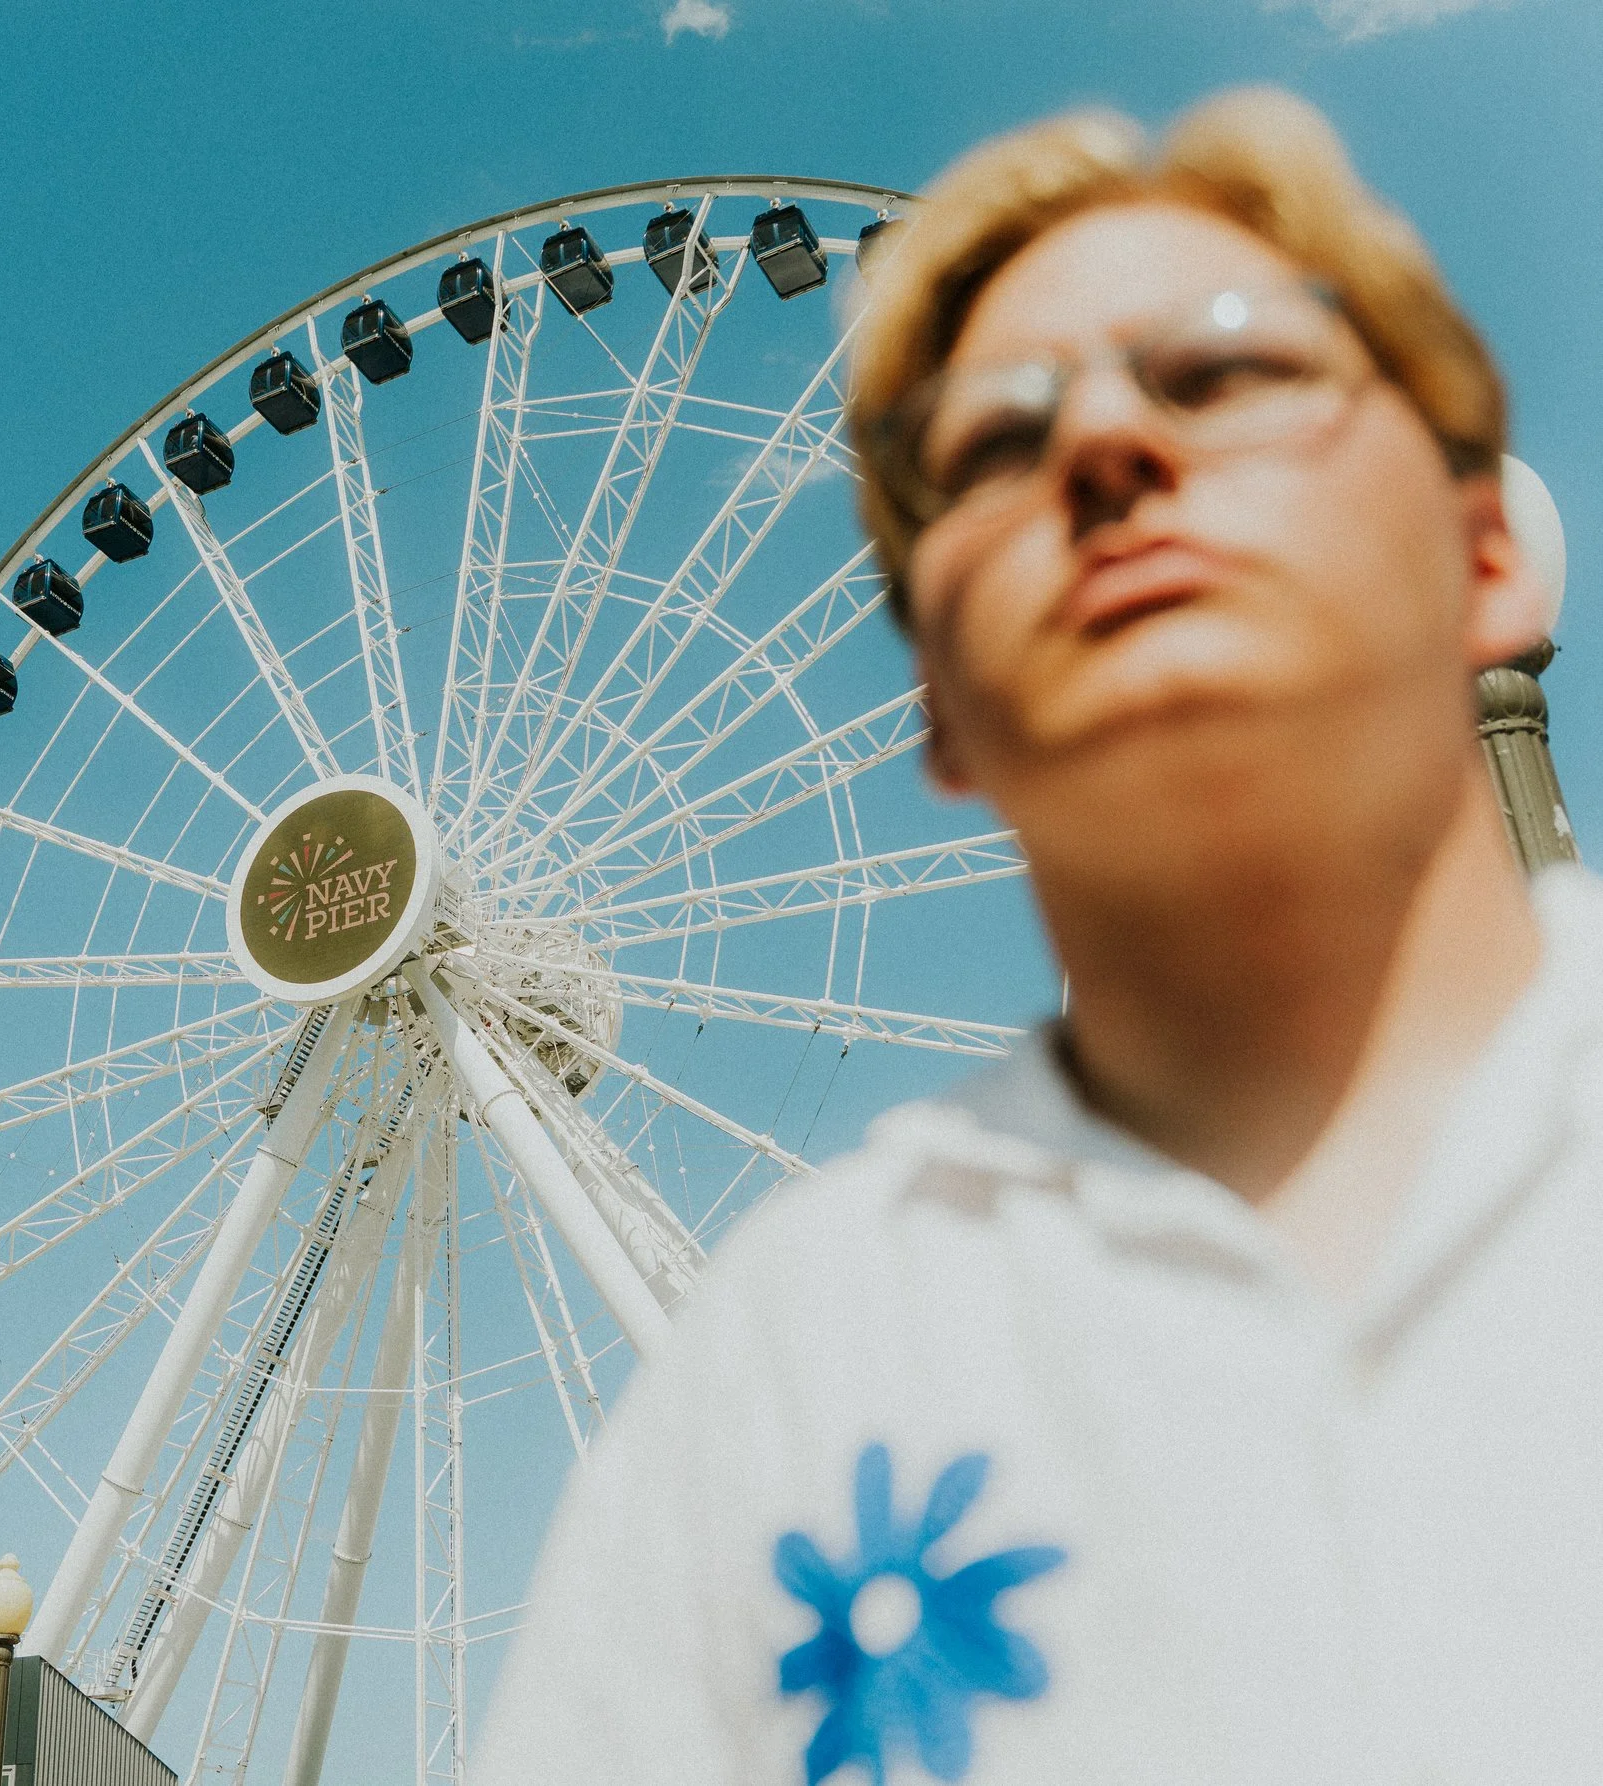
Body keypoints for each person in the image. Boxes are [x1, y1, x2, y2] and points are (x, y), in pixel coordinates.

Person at [473, 88, 1597, 1786]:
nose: (1105, 450)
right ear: (941, 706)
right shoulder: (783, 1374)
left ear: (1492, 550)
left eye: (1229, 372)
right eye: (993, 449)